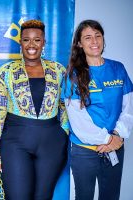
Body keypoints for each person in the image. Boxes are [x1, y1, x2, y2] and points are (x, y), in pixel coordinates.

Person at [0, 19, 69, 200]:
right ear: (20, 42)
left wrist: (63, 133)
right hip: (15, 142)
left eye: (37, 40)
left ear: (44, 43)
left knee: (43, 196)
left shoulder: (58, 70)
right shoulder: (5, 72)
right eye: (26, 40)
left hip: (51, 144)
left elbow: (65, 106)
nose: (31, 45)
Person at [62, 19, 133, 200]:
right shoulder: (73, 75)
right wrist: (108, 139)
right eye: (88, 37)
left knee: (111, 197)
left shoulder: (118, 69)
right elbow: (79, 122)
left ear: (103, 39)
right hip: (85, 151)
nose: (94, 42)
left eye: (97, 36)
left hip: (115, 147)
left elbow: (129, 108)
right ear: (79, 43)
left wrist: (117, 135)